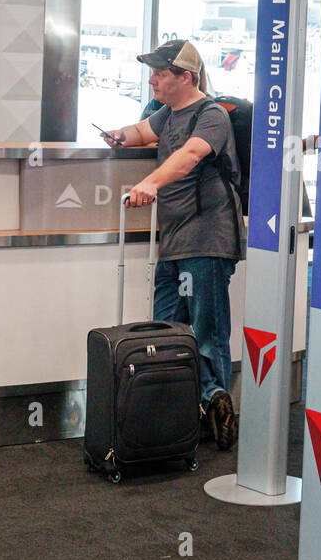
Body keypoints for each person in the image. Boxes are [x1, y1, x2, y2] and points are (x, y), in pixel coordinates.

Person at [104, 40, 243, 451]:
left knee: (207, 330)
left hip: (207, 238)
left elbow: (191, 155)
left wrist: (150, 183)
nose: (152, 80)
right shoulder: (168, 113)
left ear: (186, 77)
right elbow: (142, 132)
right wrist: (118, 136)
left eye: (161, 73)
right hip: (175, 240)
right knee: (167, 329)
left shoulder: (212, 115)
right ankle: (191, 407)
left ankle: (213, 411)